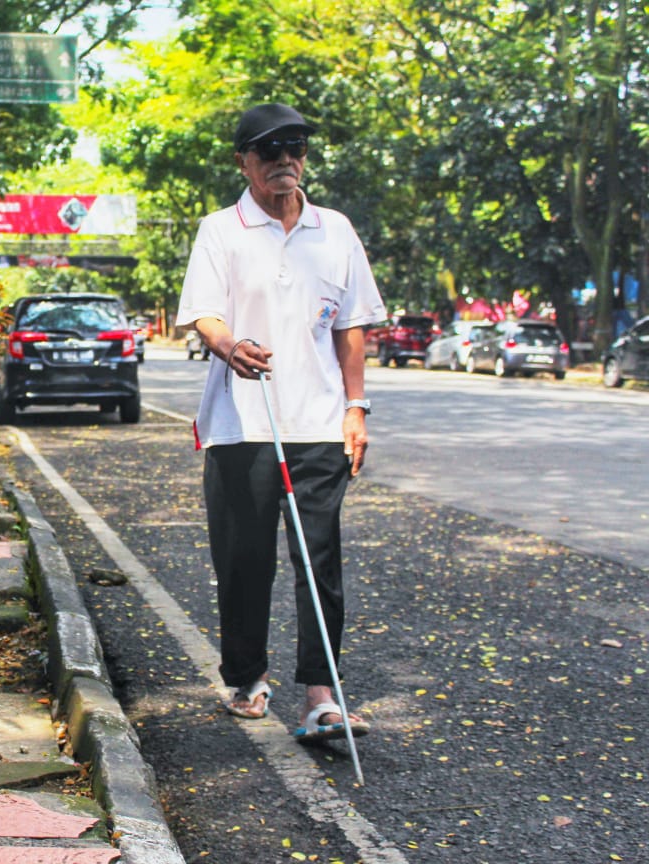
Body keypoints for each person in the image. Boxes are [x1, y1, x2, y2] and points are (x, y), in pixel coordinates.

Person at [175, 103, 387, 743]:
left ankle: (321, 695)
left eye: (294, 148)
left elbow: (351, 327)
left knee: (319, 559)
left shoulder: (336, 230)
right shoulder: (221, 230)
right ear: (244, 161)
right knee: (244, 561)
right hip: (242, 426)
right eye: (269, 151)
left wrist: (356, 407)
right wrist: (228, 345)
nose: (284, 161)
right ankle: (245, 675)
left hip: (319, 424)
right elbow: (205, 314)